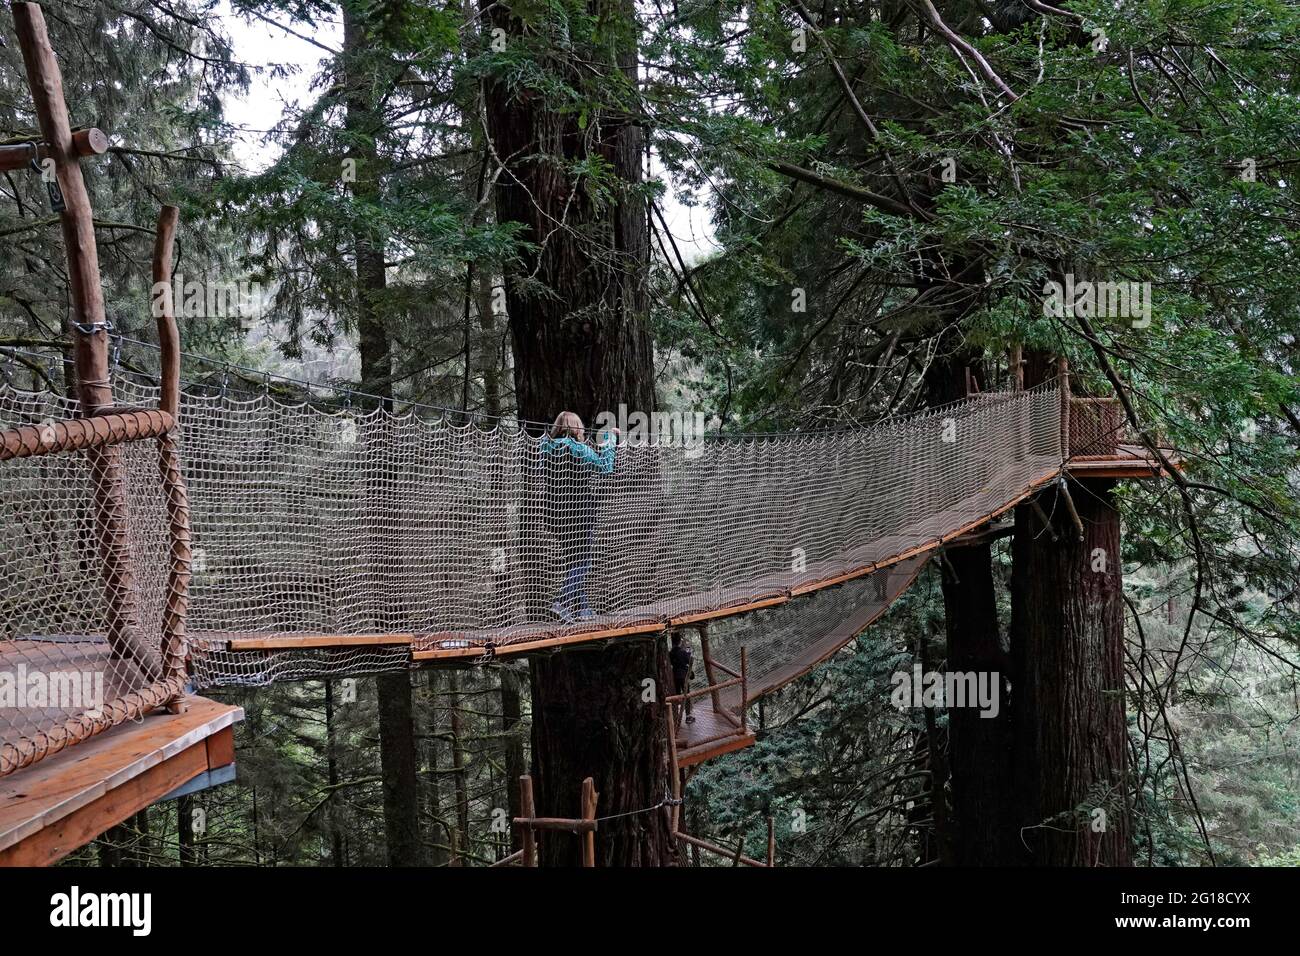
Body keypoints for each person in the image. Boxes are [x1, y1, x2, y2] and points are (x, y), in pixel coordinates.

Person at [541, 410, 617, 623]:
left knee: (573, 561)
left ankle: (582, 610)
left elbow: (540, 469)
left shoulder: (544, 447)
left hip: (554, 513)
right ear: (577, 428)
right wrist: (610, 439)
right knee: (583, 562)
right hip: (579, 511)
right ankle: (562, 601)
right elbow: (605, 467)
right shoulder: (580, 450)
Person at [669, 632, 695, 725]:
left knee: (676, 696)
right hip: (683, 676)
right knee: (686, 695)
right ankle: (688, 716)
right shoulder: (683, 652)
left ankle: (675, 717)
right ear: (680, 641)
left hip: (674, 676)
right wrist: (688, 652)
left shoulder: (670, 653)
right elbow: (689, 660)